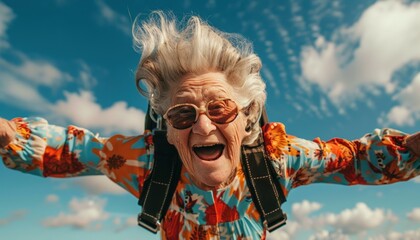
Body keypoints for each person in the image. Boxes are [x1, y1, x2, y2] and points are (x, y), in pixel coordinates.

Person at [0, 11, 419, 240]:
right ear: (165, 126)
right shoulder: (146, 161)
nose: (202, 128)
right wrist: (5, 133)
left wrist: (415, 148)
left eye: (220, 109)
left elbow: (352, 159)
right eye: (182, 115)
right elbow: (71, 149)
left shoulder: (276, 157)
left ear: (247, 115)